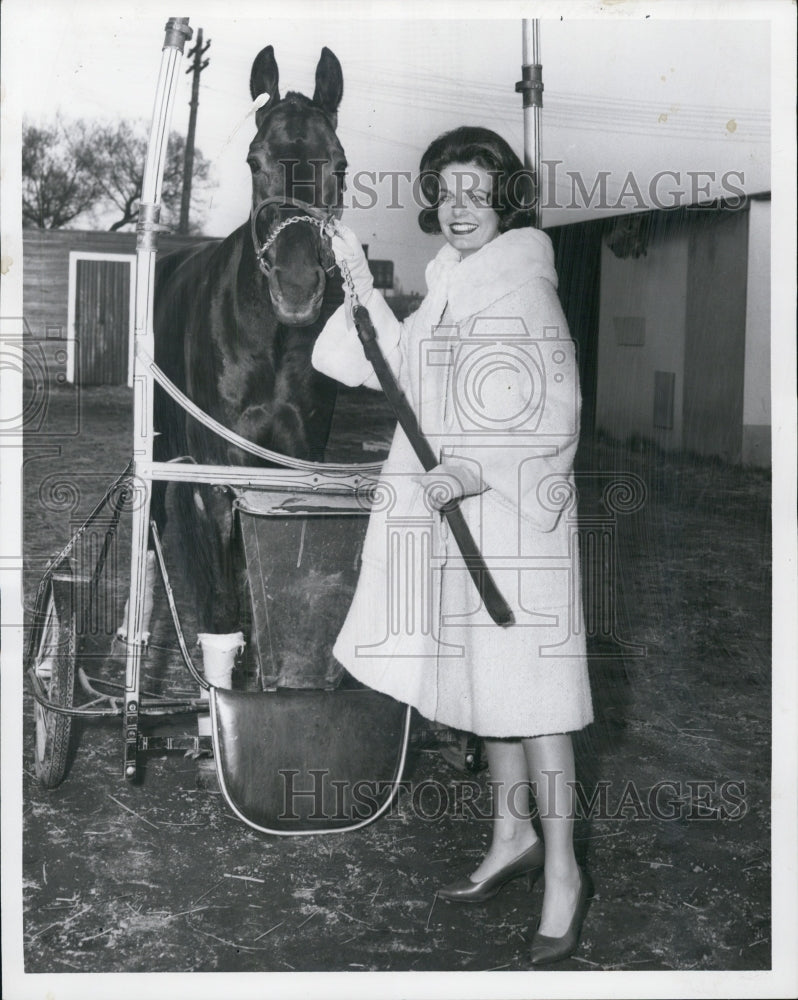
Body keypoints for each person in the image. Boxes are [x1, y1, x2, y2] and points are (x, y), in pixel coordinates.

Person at [312, 126, 594, 965]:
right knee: (489, 688)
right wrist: (361, 286)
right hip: (461, 523)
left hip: (517, 528)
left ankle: (566, 875)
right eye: (446, 191)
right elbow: (402, 367)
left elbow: (557, 413)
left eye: (477, 190)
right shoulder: (450, 282)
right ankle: (513, 836)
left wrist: (470, 471)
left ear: (505, 201)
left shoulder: (524, 287)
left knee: (539, 703)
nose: (460, 206)